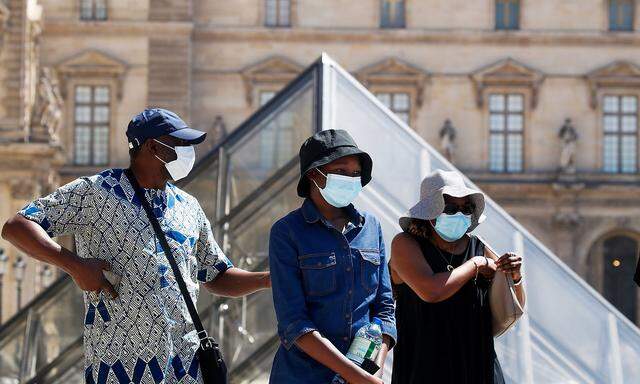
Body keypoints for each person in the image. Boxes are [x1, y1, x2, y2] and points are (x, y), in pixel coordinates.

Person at [1, 108, 270, 383]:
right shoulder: (97, 192)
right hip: (119, 369)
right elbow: (17, 227)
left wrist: (266, 280)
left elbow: (216, 275)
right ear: (153, 147)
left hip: (185, 370)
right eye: (180, 144)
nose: (189, 152)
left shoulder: (189, 207)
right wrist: (75, 266)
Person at [268, 129, 396, 384]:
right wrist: (354, 375)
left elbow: (385, 308)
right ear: (314, 174)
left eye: (356, 173)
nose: (350, 178)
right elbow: (293, 322)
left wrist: (374, 370)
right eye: (341, 171)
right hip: (302, 377)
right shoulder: (287, 232)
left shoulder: (372, 227)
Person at [389, 170, 525, 384]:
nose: (460, 214)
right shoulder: (406, 245)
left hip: (479, 368)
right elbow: (432, 291)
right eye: (450, 208)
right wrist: (476, 264)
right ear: (430, 213)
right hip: (424, 369)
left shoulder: (478, 245)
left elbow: (513, 307)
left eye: (466, 208)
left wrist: (515, 278)